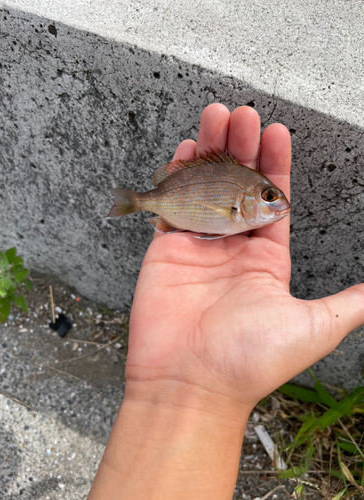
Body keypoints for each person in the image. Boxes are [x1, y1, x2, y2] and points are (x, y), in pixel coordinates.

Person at [87, 104, 364, 500]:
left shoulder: (242, 210)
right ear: (249, 198)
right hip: (167, 206)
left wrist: (204, 392)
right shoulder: (231, 205)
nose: (277, 205)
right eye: (269, 196)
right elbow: (214, 214)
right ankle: (136, 200)